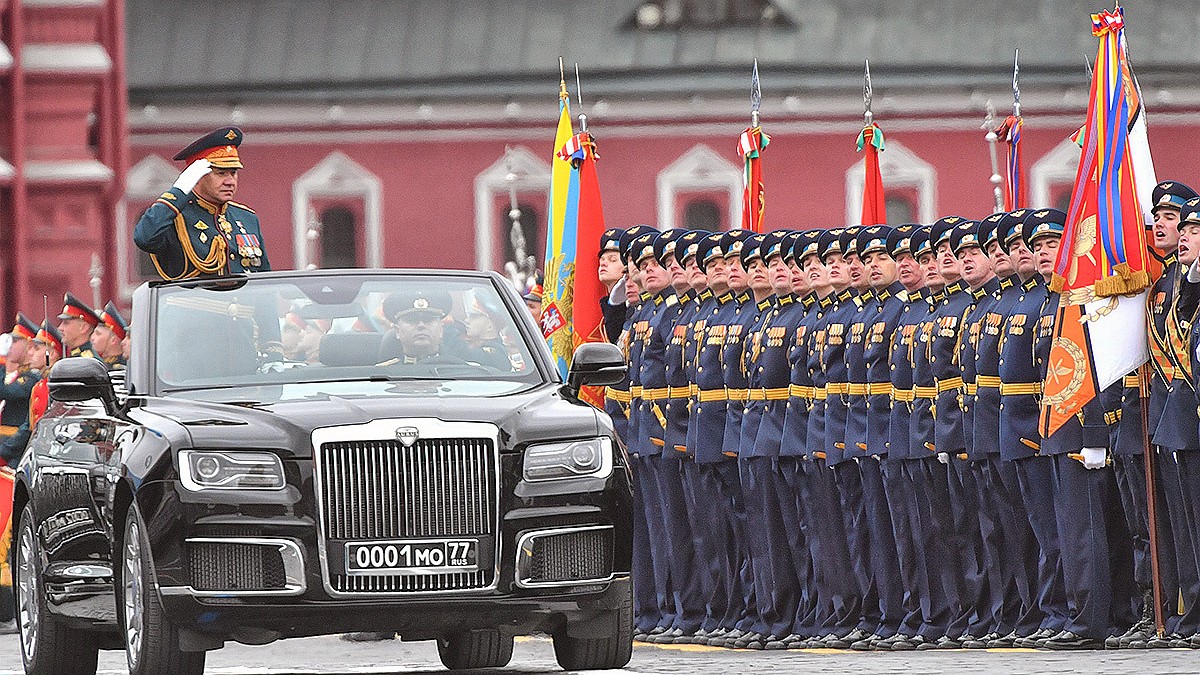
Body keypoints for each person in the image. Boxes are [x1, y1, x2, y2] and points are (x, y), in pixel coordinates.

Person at [134, 126, 270, 280]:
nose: (230, 181)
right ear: (197, 177)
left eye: (233, 173)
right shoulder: (174, 217)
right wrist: (179, 191)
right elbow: (144, 238)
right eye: (220, 173)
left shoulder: (247, 218)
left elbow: (263, 277)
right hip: (196, 303)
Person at [57, 291, 100, 359]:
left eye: (66, 323)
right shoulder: (76, 356)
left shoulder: (88, 360)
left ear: (83, 328)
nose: (60, 328)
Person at [93, 302, 128, 370]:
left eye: (98, 334)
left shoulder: (121, 368)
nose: (92, 338)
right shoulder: (105, 363)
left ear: (113, 340)